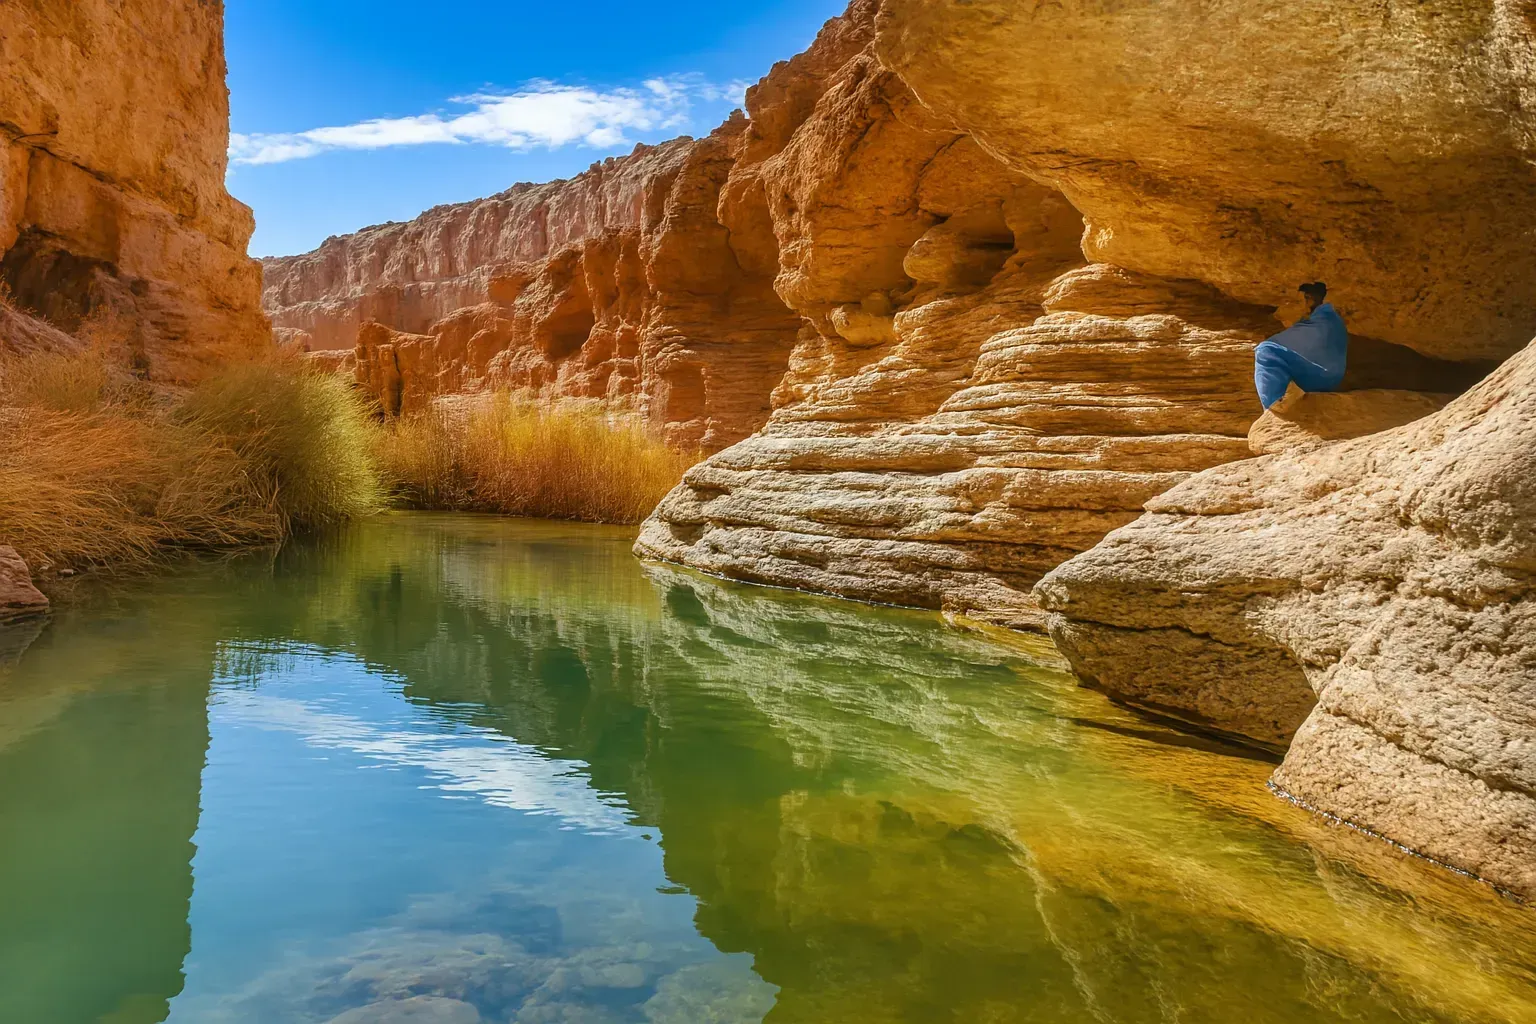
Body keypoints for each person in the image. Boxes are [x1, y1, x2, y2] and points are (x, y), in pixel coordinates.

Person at [1254, 282, 1348, 409]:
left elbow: (1278, 347)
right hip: (1330, 377)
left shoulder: (1320, 321)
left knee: (1266, 351)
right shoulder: (1329, 318)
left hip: (1320, 375)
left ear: (1309, 301)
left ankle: (1273, 408)